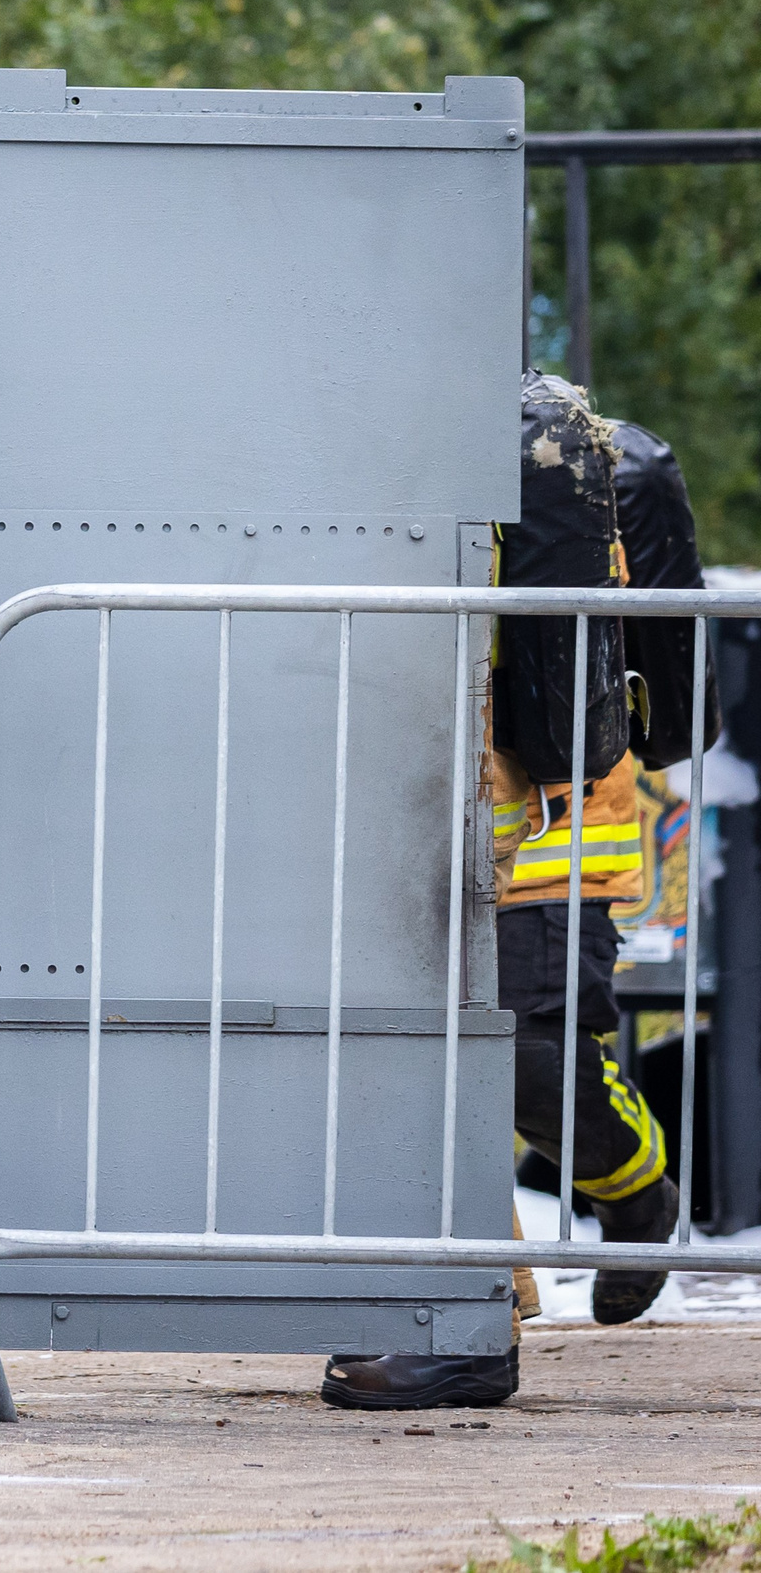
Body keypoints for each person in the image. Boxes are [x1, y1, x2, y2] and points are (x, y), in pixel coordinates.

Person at [323, 370, 685, 1413]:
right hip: (430, 814)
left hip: (551, 815)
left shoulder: (543, 464)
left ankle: (634, 1188)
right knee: (422, 1066)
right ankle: (473, 1311)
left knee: (527, 1047)